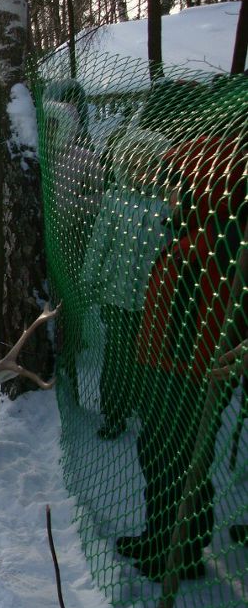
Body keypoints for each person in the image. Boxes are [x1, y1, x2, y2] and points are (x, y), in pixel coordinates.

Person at [117, 124, 246, 582]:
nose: (169, 194)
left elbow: (190, 326)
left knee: (175, 460)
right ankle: (163, 539)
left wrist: (163, 366)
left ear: (203, 190)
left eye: (178, 186)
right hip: (175, 371)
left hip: (185, 377)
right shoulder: (201, 237)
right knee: (163, 456)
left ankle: (178, 553)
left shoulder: (210, 248)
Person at [79, 127, 171, 440]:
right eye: (134, 165)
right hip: (116, 294)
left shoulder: (167, 206)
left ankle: (146, 407)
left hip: (154, 297)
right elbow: (99, 242)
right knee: (118, 355)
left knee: (148, 357)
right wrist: (90, 277)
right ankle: (114, 412)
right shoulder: (115, 199)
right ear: (124, 166)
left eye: (148, 166)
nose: (141, 172)